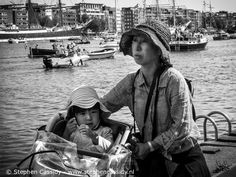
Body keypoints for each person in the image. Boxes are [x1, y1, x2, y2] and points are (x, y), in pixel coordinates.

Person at [101, 20, 211, 177]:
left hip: (182, 162)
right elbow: (102, 107)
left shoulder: (173, 79)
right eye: (134, 41)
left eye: (144, 41)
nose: (137, 47)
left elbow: (180, 129)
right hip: (153, 161)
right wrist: (77, 111)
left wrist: (150, 146)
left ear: (158, 49)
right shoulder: (130, 82)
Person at [63, 86, 113, 153]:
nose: (89, 118)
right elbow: (62, 147)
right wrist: (66, 132)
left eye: (93, 112)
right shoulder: (73, 132)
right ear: (75, 116)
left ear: (99, 113)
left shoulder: (105, 131)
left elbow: (110, 147)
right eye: (83, 114)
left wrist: (93, 135)